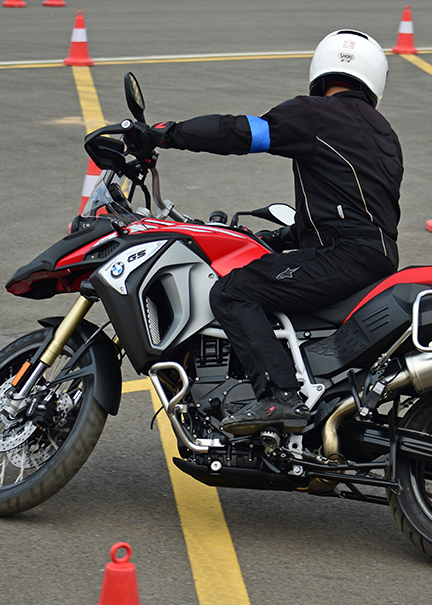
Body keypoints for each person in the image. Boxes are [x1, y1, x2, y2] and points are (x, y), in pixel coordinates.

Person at [127, 30, 403, 435]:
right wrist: (285, 238)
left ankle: (280, 397)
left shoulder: (316, 114)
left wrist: (166, 134)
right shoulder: (384, 134)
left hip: (347, 255)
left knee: (233, 291)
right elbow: (355, 207)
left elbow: (242, 131)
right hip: (371, 255)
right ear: (374, 78)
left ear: (321, 71)